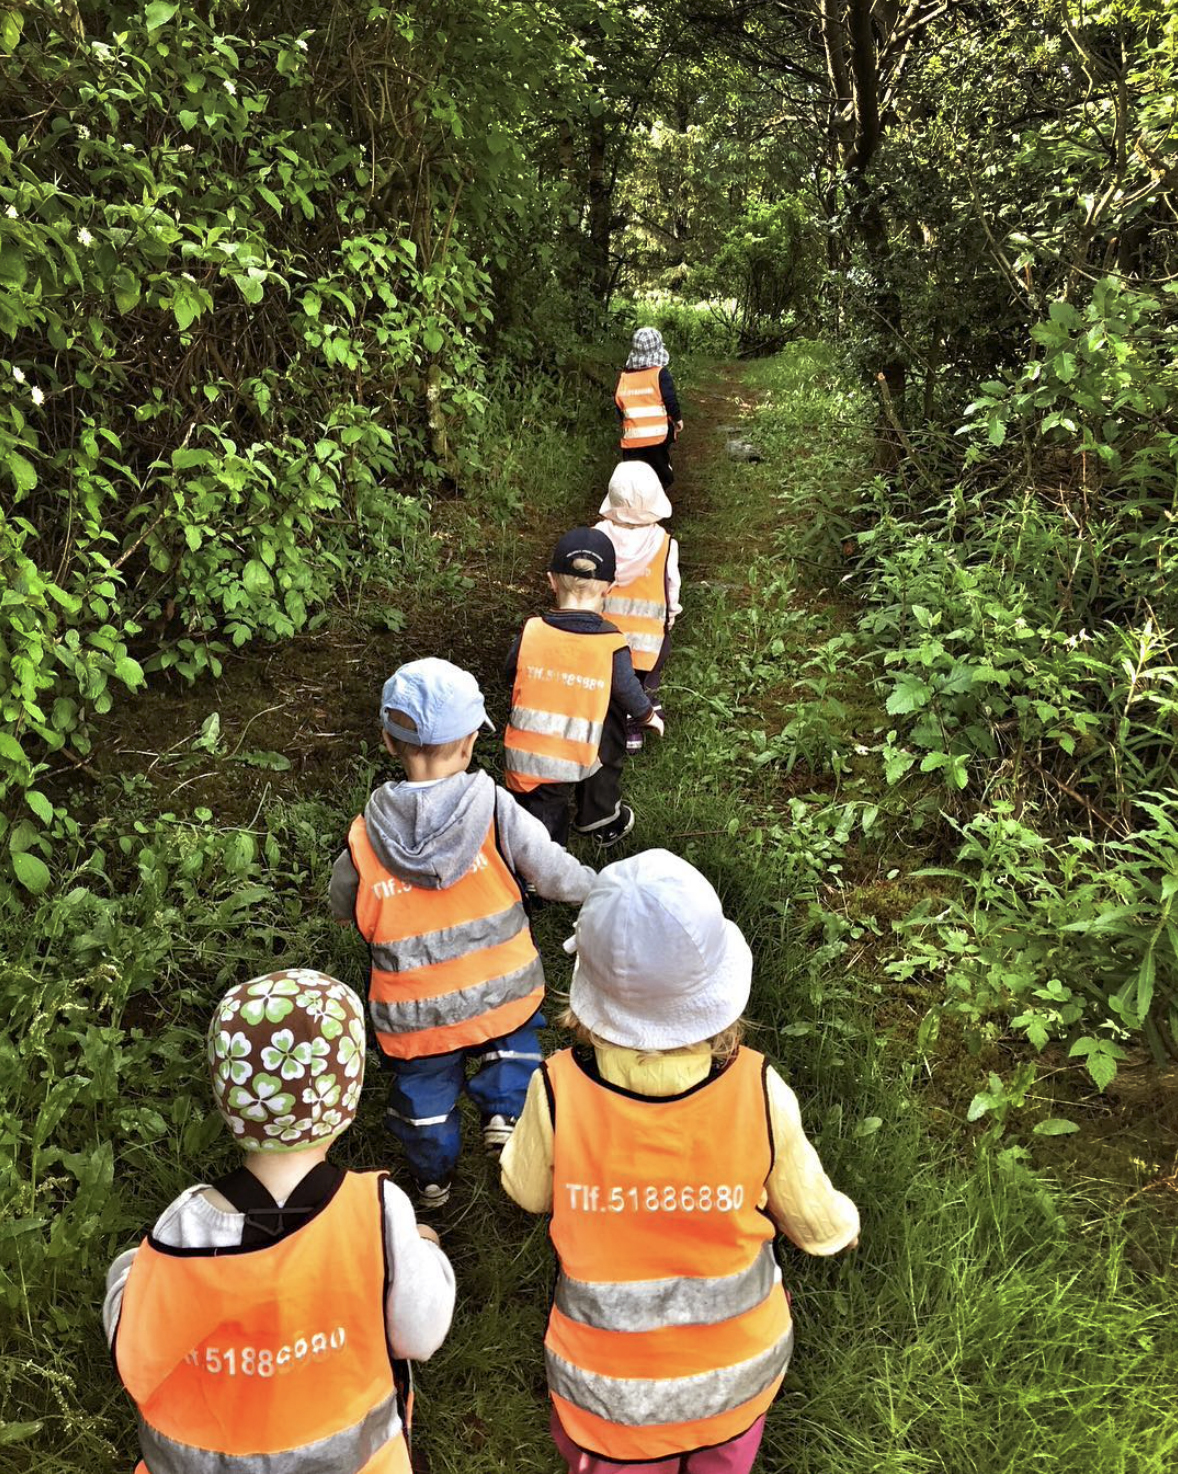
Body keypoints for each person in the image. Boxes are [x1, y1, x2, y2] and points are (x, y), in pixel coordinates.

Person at [501, 850, 861, 1474]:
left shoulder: (557, 1091)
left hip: (606, 1398)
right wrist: (841, 1229)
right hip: (737, 1380)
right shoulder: (759, 1090)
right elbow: (812, 1218)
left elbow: (528, 1191)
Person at [105, 969, 455, 1474]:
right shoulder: (377, 1212)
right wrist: (427, 1250)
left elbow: (129, 1342)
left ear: (227, 1101)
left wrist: (130, 1271)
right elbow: (419, 1335)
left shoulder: (182, 1228)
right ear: (348, 1097)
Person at [330, 657, 596, 1207]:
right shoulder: (495, 806)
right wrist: (594, 886)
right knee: (514, 1045)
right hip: (501, 987)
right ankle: (506, 1112)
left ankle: (432, 1175)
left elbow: (345, 904)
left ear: (387, 740)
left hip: (414, 1012)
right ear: (472, 742)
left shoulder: (365, 835)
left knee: (422, 1092)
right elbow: (546, 868)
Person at [504, 528, 664, 849]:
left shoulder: (531, 631)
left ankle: (529, 853)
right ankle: (575, 840)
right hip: (574, 755)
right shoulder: (610, 643)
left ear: (551, 580)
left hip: (521, 754)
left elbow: (509, 672)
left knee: (539, 808)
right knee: (558, 802)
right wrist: (648, 716)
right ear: (609, 588)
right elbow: (627, 690)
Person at [595, 460, 682, 753]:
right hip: (649, 637)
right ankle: (638, 717)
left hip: (604, 634)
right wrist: (670, 618)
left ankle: (612, 723)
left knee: (609, 681)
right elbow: (671, 586)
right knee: (644, 675)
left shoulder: (598, 536)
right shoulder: (665, 542)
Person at [615, 326, 682, 489]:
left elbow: (619, 403)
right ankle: (658, 493)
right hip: (658, 436)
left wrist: (625, 421)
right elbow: (670, 399)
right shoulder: (660, 373)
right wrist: (677, 419)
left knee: (632, 472)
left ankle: (633, 497)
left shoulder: (625, 377)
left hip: (632, 437)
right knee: (660, 468)